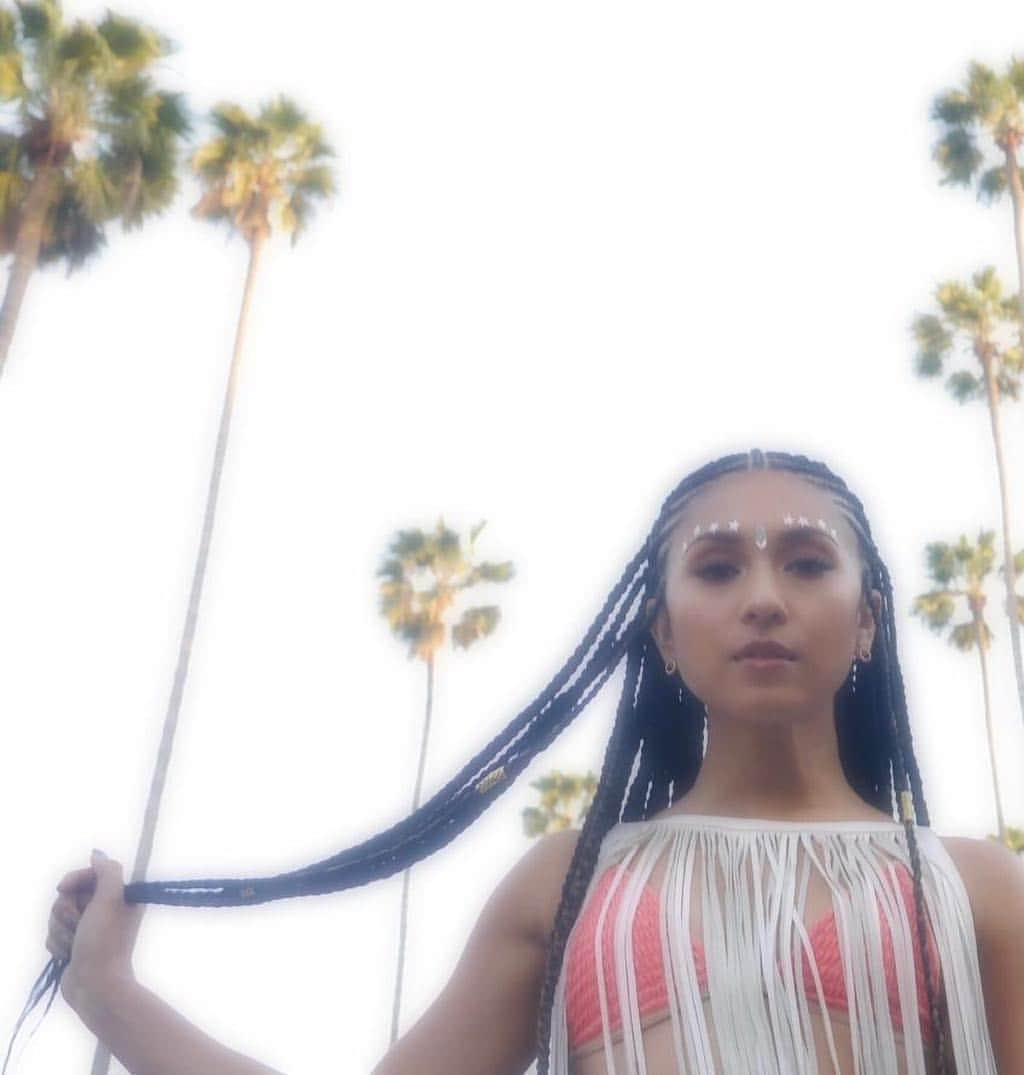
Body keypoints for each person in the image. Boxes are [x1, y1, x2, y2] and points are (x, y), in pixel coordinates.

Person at [23, 450, 1024, 1074]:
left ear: (866, 622)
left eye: (807, 561)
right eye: (717, 567)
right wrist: (112, 993)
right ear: (664, 634)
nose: (762, 595)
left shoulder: (978, 885)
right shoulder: (570, 879)